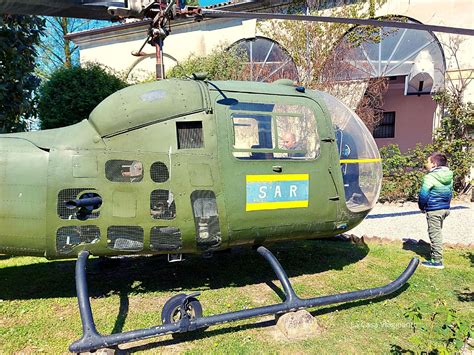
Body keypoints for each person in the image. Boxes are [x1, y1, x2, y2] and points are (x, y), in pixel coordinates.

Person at [418, 152, 453, 269]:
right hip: (444, 209)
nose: (426, 164)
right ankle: (436, 255)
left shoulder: (430, 177)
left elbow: (423, 195)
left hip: (434, 210)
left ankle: (437, 261)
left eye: (427, 161)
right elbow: (449, 193)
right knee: (437, 232)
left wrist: (422, 207)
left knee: (435, 234)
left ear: (433, 164)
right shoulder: (448, 175)